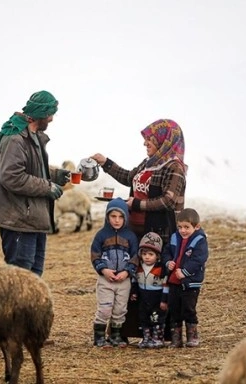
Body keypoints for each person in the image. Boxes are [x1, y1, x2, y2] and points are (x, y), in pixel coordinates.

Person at [91, 118, 187, 341]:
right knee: (131, 281)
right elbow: (128, 178)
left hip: (157, 233)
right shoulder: (149, 163)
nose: (145, 145)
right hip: (134, 231)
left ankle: (157, 333)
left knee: (152, 281)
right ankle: (123, 331)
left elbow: (168, 201)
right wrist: (105, 162)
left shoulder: (174, 168)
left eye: (149, 140)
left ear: (164, 141)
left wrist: (135, 204)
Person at [0, 90, 71, 277]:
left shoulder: (32, 136)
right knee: (21, 277)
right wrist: (47, 187)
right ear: (41, 113)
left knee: (34, 276)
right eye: (50, 114)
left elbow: (31, 168)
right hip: (19, 220)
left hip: (33, 219)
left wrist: (55, 175)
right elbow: (11, 176)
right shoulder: (15, 138)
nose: (51, 119)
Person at [90, 198, 138, 348]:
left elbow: (136, 256)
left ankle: (115, 335)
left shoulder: (130, 236)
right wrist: (103, 270)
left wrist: (127, 272)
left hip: (124, 280)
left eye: (121, 217)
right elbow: (95, 255)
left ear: (126, 217)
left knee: (120, 309)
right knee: (105, 308)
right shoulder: (101, 235)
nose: (117, 220)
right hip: (106, 279)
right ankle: (99, 336)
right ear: (107, 216)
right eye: (113, 216)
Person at [162, 208, 209, 348]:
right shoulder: (174, 237)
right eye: (180, 227)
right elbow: (166, 252)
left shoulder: (199, 240)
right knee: (174, 309)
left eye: (187, 227)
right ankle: (176, 338)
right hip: (174, 281)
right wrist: (168, 262)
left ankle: (192, 335)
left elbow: (198, 259)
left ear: (196, 226)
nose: (183, 230)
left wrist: (185, 272)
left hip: (190, 282)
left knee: (188, 309)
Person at [130, 231, 168, 349]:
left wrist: (164, 300)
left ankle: (157, 338)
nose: (147, 257)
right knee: (144, 317)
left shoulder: (160, 269)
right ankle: (146, 337)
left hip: (156, 298)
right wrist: (134, 292)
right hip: (143, 297)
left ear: (157, 256)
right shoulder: (139, 267)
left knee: (157, 318)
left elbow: (166, 285)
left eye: (150, 254)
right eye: (144, 253)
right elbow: (135, 281)